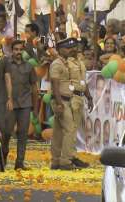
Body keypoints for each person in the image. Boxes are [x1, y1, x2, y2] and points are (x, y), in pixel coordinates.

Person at [49, 38, 94, 170]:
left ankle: (56, 161)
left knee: (58, 131)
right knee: (70, 129)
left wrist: (89, 97)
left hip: (69, 99)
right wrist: (58, 103)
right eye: (68, 48)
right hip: (61, 100)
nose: (71, 50)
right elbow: (55, 84)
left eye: (73, 47)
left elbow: (81, 82)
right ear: (60, 49)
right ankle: (67, 161)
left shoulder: (74, 62)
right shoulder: (57, 63)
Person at [0, 40, 37, 170]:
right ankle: (3, 156)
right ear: (12, 50)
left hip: (25, 103)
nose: (18, 52)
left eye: (20, 49)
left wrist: (35, 108)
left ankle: (19, 162)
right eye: (15, 49)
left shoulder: (29, 66)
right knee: (7, 132)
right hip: (9, 103)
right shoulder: (6, 64)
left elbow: (34, 87)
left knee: (23, 133)